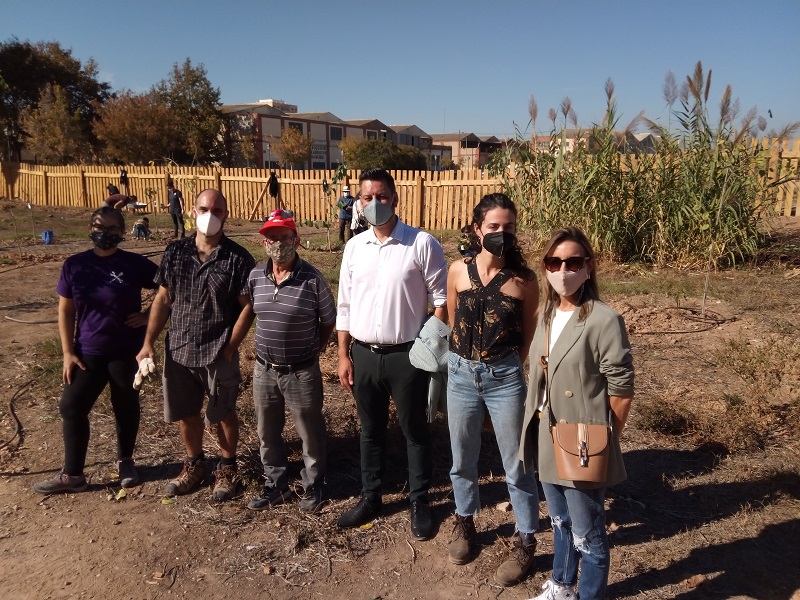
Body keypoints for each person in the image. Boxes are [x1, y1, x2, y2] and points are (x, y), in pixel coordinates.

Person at [520, 227, 634, 600]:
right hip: (546, 433)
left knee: (589, 532)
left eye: (573, 262)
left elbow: (621, 388)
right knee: (560, 521)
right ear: (546, 267)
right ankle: (562, 584)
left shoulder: (603, 320)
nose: (563, 269)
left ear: (588, 267)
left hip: (583, 440)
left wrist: (605, 439)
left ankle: (589, 595)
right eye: (554, 262)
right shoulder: (546, 314)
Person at [336, 167, 448, 540]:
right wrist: (343, 354)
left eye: (381, 196)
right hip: (364, 354)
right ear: (359, 202)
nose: (374, 203)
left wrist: (430, 349)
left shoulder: (420, 244)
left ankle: (419, 500)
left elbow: (442, 301)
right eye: (366, 198)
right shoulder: (354, 247)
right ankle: (372, 497)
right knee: (370, 431)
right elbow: (345, 306)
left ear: (395, 198)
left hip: (408, 356)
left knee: (415, 430)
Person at [136, 189, 256, 502]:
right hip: (179, 348)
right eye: (204, 208)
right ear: (192, 210)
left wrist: (230, 347)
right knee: (186, 413)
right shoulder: (175, 252)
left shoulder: (237, 258)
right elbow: (163, 298)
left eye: (217, 210)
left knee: (223, 414)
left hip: (217, 350)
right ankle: (195, 464)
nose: (210, 215)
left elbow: (248, 306)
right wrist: (148, 342)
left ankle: (227, 468)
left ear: (225, 215)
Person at [445, 193, 540, 587]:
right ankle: (464, 522)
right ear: (476, 228)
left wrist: (507, 368)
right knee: (462, 458)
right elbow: (453, 319)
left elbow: (528, 337)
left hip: (504, 378)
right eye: (494, 227)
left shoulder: (524, 281)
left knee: (516, 464)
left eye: (509, 227)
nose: (502, 234)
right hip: (460, 374)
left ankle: (526, 540)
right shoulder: (457, 271)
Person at [33, 207, 158, 494]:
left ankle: (126, 461)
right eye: (100, 227)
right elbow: (65, 310)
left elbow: (170, 288)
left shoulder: (134, 263)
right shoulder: (75, 265)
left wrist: (149, 314)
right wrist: (67, 352)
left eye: (114, 229)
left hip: (126, 350)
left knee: (125, 405)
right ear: (91, 228)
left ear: (122, 232)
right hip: (87, 350)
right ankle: (73, 474)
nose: (106, 233)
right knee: (72, 405)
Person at [244, 209, 337, 513]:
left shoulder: (312, 279)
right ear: (264, 242)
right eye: (273, 237)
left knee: (309, 431)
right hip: (264, 369)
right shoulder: (256, 275)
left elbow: (327, 321)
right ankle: (276, 483)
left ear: (296, 239)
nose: (279, 243)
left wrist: (316, 348)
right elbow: (251, 312)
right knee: (266, 431)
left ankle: (313, 485)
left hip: (300, 370)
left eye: (285, 237)